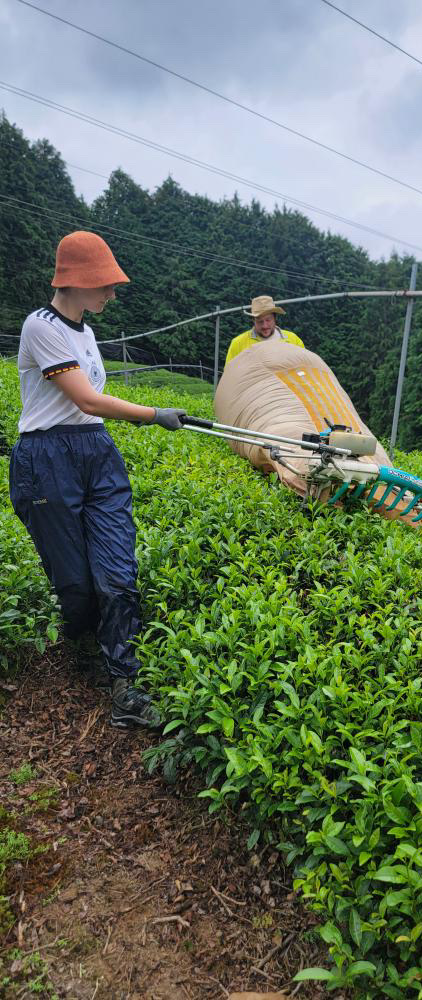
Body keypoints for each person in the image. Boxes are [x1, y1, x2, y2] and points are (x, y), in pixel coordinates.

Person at [9, 230, 187, 727]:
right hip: (47, 459)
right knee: (77, 585)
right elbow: (85, 399)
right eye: (104, 284)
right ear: (74, 282)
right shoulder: (39, 326)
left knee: (116, 574)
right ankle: (82, 645)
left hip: (96, 452)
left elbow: (91, 411)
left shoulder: (86, 333)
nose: (112, 293)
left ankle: (124, 686)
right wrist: (154, 413)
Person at [225, 294, 304, 364]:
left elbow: (305, 367)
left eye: (268, 320)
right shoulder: (238, 343)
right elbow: (229, 374)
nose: (265, 326)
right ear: (253, 320)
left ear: (275, 318)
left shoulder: (293, 340)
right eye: (260, 321)